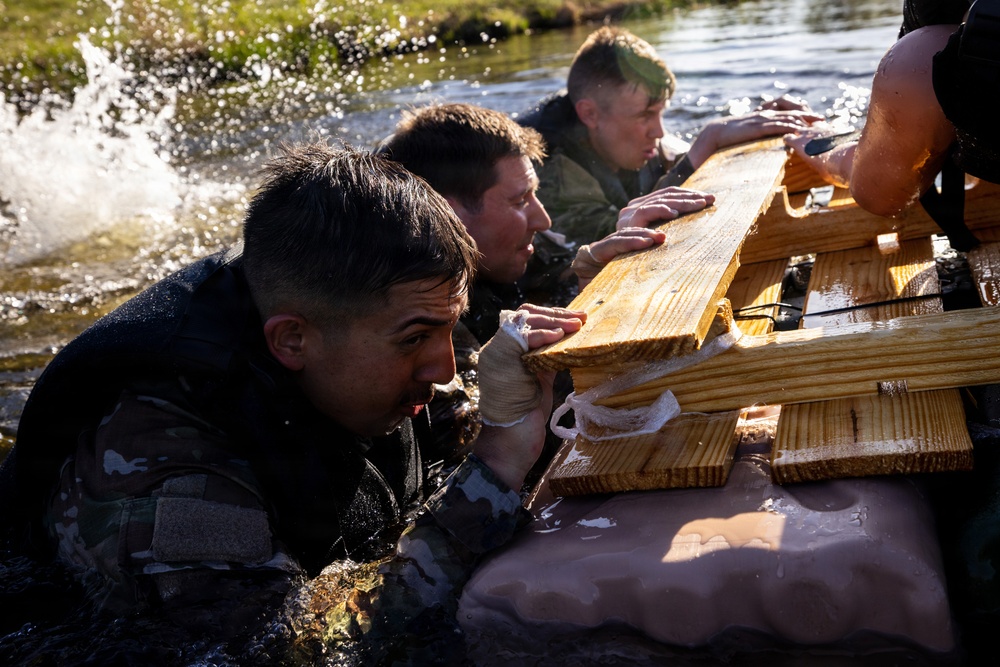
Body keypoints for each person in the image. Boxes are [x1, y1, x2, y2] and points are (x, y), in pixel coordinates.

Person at [0, 142, 586, 662]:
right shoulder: (166, 481)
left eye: (449, 330)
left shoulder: (375, 334)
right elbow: (302, 648)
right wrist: (497, 468)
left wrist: (527, 398)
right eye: (416, 339)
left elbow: (456, 433)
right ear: (292, 339)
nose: (443, 369)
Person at [379, 102, 717, 346]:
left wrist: (602, 271)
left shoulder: (511, 252)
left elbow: (558, 286)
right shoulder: (420, 309)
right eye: (519, 200)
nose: (543, 220)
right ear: (448, 214)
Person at [520, 25, 821, 246]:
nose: (659, 131)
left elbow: (680, 161)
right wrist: (708, 141)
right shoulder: (546, 165)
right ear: (590, 115)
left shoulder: (623, 127)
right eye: (645, 115)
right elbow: (605, 241)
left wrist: (746, 131)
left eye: (660, 112)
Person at [784, 0, 997, 250]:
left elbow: (880, 195)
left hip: (928, 65)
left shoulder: (924, 54)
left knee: (920, 55)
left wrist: (825, 147)